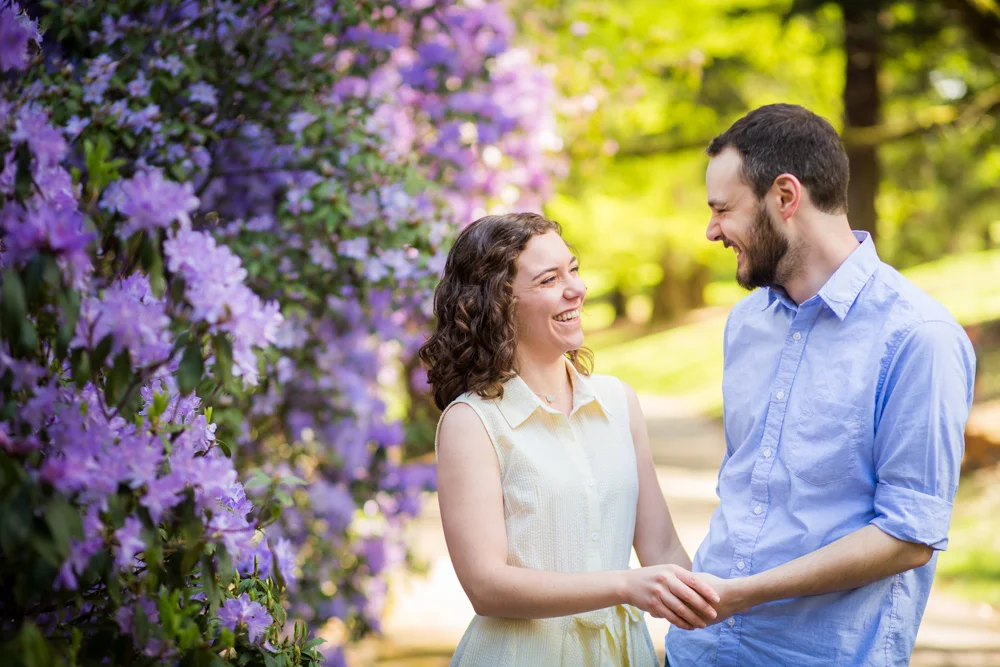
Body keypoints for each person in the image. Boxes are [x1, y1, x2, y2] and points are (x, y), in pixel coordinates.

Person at [664, 104, 977, 666]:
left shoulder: (918, 337)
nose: (712, 231)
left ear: (785, 197)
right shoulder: (746, 323)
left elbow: (908, 536)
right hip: (703, 650)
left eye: (723, 209)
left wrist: (742, 596)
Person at [419, 212, 719, 666]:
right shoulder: (472, 421)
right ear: (498, 303)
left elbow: (662, 551)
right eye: (549, 279)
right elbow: (486, 587)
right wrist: (624, 585)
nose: (576, 289)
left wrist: (738, 604)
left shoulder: (619, 403)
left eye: (573, 269)